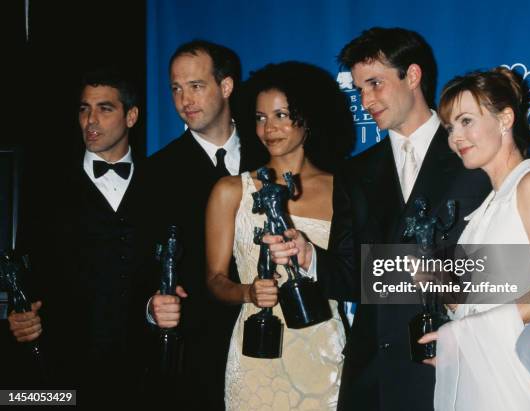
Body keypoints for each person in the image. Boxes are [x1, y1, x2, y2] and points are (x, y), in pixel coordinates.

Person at [266, 27, 530, 411]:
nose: (366, 100)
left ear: (412, 76)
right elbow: (357, 277)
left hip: (458, 365)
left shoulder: (479, 158)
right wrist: (310, 256)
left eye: (375, 84)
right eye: (359, 89)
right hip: (375, 372)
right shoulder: (354, 172)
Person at [417, 67, 530, 410]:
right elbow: (474, 303)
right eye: (449, 127)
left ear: (505, 119)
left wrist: (459, 336)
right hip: (482, 376)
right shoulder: (486, 207)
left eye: (465, 121)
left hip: (518, 380)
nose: (455, 137)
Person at [205, 61, 355, 410]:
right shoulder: (231, 190)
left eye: (281, 115)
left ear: (309, 116)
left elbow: (354, 274)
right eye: (259, 118)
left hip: (324, 356)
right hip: (257, 356)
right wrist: (248, 292)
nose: (268, 128)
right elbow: (213, 279)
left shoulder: (343, 190)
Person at [7, 67, 148, 407]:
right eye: (84, 109)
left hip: (143, 372)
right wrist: (18, 311)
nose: (91, 120)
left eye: (105, 108)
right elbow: (25, 265)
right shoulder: (47, 187)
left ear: (131, 116)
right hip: (64, 369)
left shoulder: (159, 182)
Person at [143, 39, 261, 410]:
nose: (184, 100)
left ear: (225, 86)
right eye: (176, 89)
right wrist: (152, 305)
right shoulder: (157, 172)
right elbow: (142, 260)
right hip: (198, 355)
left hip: (272, 342)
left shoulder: (270, 154)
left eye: (195, 86)